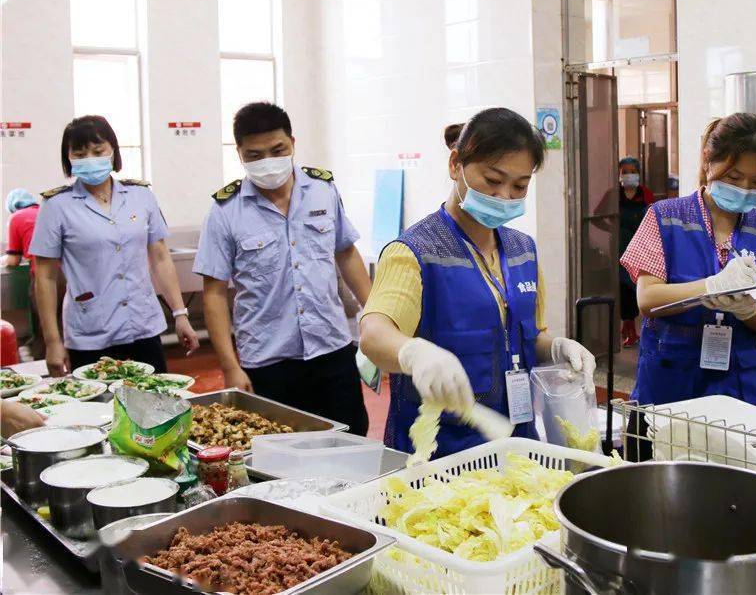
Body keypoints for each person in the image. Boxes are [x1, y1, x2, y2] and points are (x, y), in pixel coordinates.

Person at [359, 108, 596, 458]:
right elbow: (373, 333)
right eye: (493, 180)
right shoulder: (414, 253)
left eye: (520, 186)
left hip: (517, 443)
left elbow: (528, 337)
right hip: (438, 453)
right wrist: (414, 353)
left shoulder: (523, 251)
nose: (505, 196)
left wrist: (557, 348)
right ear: (456, 165)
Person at [194, 102, 371, 436]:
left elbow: (346, 253)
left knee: (351, 438)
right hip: (268, 360)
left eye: (277, 150)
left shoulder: (322, 190)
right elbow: (214, 294)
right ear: (240, 154)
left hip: (331, 347)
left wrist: (376, 317)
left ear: (293, 143)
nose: (268, 161)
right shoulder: (226, 210)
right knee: (279, 449)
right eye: (255, 155)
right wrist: (230, 366)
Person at [620, 112, 756, 414]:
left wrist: (749, 310)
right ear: (708, 160)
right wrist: (712, 286)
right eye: (734, 178)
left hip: (742, 386)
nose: (744, 188)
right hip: (672, 381)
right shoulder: (665, 217)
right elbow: (648, 299)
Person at [30, 115, 199, 376]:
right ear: (68, 158)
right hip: (90, 332)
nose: (90, 159)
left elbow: (160, 257)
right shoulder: (56, 206)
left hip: (143, 325)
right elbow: (45, 277)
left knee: (152, 396)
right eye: (80, 154)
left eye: (98, 151)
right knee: (97, 401)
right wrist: (52, 341)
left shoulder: (141, 196)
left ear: (113, 152)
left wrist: (180, 313)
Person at [592, 157, 655, 347]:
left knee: (638, 285)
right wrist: (611, 229)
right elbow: (596, 216)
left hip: (641, 246)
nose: (629, 175)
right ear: (619, 175)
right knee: (623, 286)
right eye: (624, 172)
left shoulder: (645, 194)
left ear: (639, 173)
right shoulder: (613, 194)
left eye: (632, 171)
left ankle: (635, 328)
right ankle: (629, 329)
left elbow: (654, 217)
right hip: (619, 247)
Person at [4, 189, 45, 356]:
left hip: (43, 276)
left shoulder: (16, 218)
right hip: (69, 276)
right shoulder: (46, 212)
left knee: (43, 324)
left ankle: (42, 358)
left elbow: (13, 260)